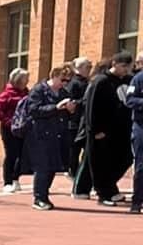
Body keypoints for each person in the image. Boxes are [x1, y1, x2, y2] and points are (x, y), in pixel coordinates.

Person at [20, 66, 77, 210]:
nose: (65, 83)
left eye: (68, 81)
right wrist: (55, 107)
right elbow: (34, 110)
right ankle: (39, 197)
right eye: (63, 80)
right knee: (42, 167)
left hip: (58, 135)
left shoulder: (64, 93)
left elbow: (69, 115)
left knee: (53, 167)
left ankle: (44, 196)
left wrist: (71, 110)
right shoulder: (39, 90)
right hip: (40, 134)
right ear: (54, 76)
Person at [81, 55, 133, 206]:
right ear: (114, 64)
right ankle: (103, 194)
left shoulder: (128, 80)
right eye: (123, 66)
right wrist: (95, 129)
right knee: (101, 162)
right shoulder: (101, 81)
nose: (126, 70)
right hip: (102, 130)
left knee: (125, 158)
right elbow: (91, 107)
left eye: (128, 67)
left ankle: (110, 187)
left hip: (122, 129)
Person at [0, 69, 29, 191]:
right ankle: (7, 182)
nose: (27, 81)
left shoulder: (26, 93)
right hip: (9, 129)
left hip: (22, 128)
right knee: (11, 154)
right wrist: (9, 122)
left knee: (22, 154)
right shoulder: (6, 95)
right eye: (25, 79)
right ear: (17, 80)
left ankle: (15, 178)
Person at [68, 59, 96, 193]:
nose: (89, 69)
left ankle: (84, 177)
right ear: (78, 68)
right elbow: (71, 102)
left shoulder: (88, 82)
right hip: (76, 121)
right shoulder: (74, 83)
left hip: (85, 121)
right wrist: (84, 101)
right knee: (75, 150)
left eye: (90, 66)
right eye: (87, 67)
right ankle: (74, 174)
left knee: (87, 150)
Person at [126, 61, 143, 213]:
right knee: (141, 165)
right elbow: (130, 100)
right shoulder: (138, 79)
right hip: (141, 127)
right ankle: (137, 201)